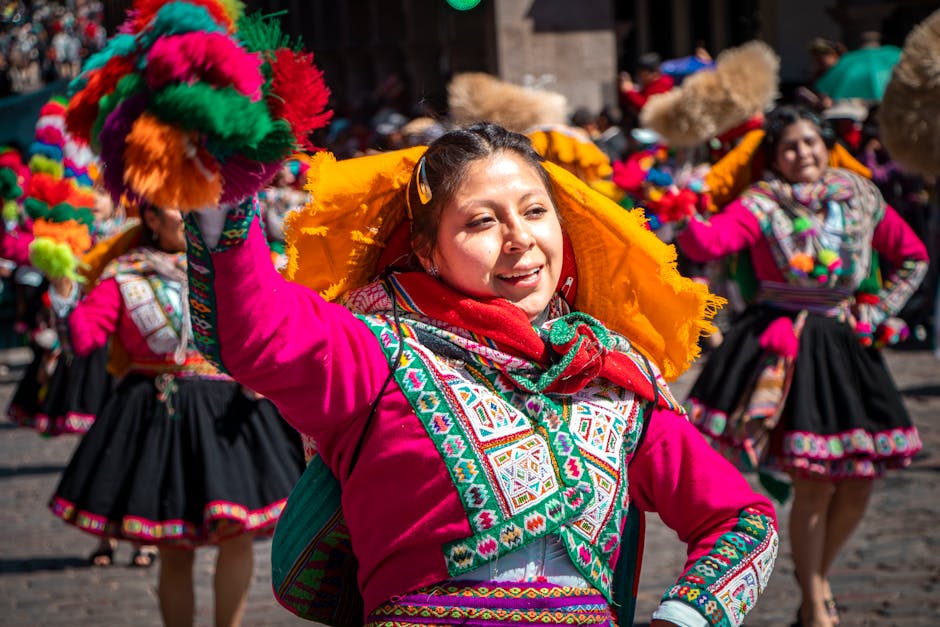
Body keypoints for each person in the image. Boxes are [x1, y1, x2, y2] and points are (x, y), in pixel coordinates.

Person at [186, 122, 779, 626]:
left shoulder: (611, 380)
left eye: (535, 211)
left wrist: (686, 614)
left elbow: (743, 521)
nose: (520, 239)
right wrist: (223, 198)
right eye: (481, 222)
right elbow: (257, 330)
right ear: (427, 251)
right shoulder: (377, 353)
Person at [676, 106, 928, 627]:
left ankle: (818, 581)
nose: (802, 153)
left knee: (858, 481)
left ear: (826, 145)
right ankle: (814, 603)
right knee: (812, 480)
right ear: (774, 156)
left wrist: (879, 309)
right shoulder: (763, 202)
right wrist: (687, 204)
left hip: (845, 344)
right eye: (790, 146)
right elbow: (711, 242)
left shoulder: (859, 195)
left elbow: (913, 255)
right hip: (785, 345)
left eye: (811, 141)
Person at [46, 203, 305, 626]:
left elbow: (278, 321)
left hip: (231, 413)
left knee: (237, 537)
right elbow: (84, 338)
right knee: (174, 548)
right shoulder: (126, 275)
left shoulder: (233, 265)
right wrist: (61, 291)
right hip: (161, 415)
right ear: (151, 218)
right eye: (177, 206)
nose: (190, 214)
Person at [618, 52, 675, 120]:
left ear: (654, 73)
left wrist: (630, 92)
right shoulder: (649, 85)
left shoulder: (663, 84)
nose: (638, 77)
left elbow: (647, 108)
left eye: (642, 74)